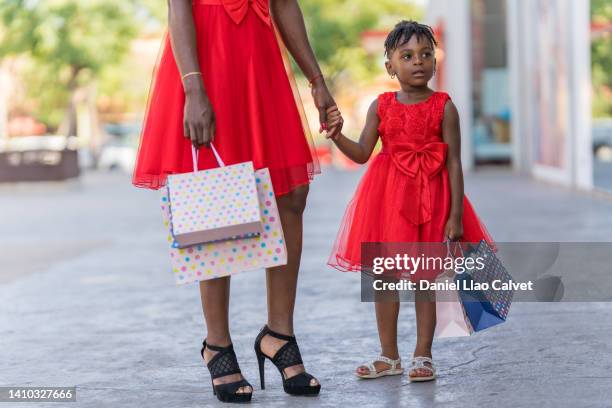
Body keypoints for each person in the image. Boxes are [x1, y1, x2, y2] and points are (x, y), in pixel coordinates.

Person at [132, 0, 339, 402]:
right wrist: (193, 87)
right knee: (215, 196)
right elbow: (180, 7)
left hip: (259, 60)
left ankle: (279, 335)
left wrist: (316, 78)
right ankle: (217, 345)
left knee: (291, 192)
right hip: (206, 59)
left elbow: (285, 5)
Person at [325, 20, 496, 382]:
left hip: (433, 201)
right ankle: (389, 356)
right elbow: (360, 153)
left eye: (425, 54)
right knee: (384, 278)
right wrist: (338, 136)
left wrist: (454, 215)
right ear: (390, 66)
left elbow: (453, 162)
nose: (418, 61)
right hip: (388, 203)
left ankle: (423, 354)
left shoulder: (444, 106)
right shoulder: (382, 106)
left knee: (425, 279)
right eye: (407, 55)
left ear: (435, 61)